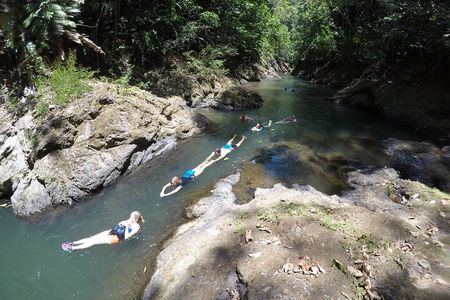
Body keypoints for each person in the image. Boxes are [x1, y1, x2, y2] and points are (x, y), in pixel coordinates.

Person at [61, 211, 144, 252]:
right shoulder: (131, 220)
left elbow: (127, 237)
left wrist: (126, 225)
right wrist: (122, 222)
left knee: (93, 242)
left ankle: (72, 248)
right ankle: (73, 243)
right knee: (91, 238)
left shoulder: (136, 226)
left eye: (131, 217)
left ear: (136, 219)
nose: (129, 218)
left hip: (116, 238)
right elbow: (121, 224)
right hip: (113, 231)